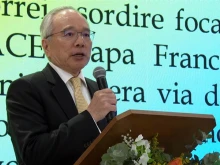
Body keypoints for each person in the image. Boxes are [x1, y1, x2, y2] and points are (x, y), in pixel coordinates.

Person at [6, 6, 117, 165]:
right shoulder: (26, 89)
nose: (81, 42)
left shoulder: (97, 89)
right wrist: (90, 117)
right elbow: (32, 154)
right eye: (69, 34)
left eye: (86, 34)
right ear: (46, 46)